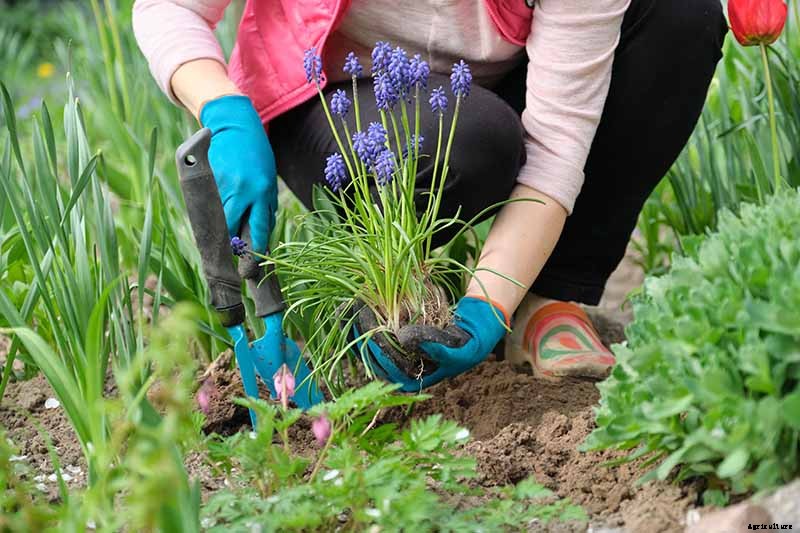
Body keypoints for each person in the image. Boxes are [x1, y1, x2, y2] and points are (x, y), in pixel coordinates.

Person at [133, 0, 727, 389]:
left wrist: (486, 306)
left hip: (500, 94)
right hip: (337, 99)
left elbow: (558, 142)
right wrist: (223, 105)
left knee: (680, 16)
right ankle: (394, 287)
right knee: (467, 142)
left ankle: (544, 299)